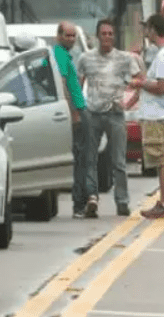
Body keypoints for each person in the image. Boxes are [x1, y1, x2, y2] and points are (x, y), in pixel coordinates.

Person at [77, 19, 143, 217]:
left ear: (114, 37)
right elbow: (79, 86)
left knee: (119, 161)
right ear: (97, 36)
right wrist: (80, 111)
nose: (106, 37)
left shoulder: (125, 59)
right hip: (93, 114)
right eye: (103, 34)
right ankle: (92, 198)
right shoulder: (85, 58)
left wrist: (129, 104)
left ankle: (122, 201)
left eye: (110, 34)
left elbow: (140, 81)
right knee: (90, 158)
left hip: (115, 114)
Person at [129, 14, 164, 219]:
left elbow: (162, 87)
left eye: (146, 29)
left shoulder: (163, 56)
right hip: (163, 114)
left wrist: (140, 83)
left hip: (158, 115)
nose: (145, 33)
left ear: (152, 29)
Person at [54, 21, 95, 219]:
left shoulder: (66, 56)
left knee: (84, 158)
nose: (70, 39)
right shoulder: (59, 56)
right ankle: (79, 204)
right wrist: (74, 114)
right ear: (58, 36)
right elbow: (63, 88)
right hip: (75, 114)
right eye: (67, 36)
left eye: (73, 36)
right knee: (80, 160)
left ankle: (86, 198)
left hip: (79, 109)